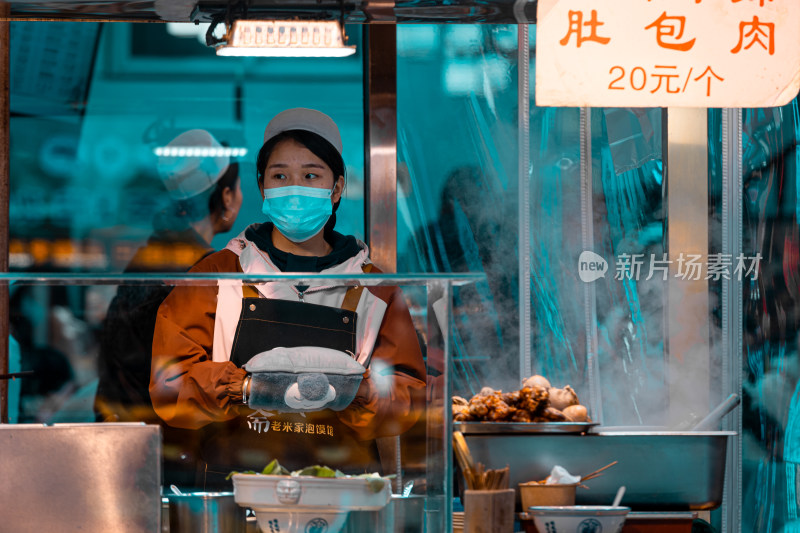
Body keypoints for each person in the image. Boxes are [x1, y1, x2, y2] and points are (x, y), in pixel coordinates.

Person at [150, 108, 427, 487]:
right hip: (236, 488)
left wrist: (354, 392)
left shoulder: (374, 288)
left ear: (337, 188)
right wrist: (247, 389)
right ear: (263, 187)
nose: (294, 187)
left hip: (342, 489)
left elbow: (408, 395)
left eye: (311, 175)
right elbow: (169, 385)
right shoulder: (217, 274)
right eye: (280, 176)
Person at [94, 129, 242, 485]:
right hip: (169, 452)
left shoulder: (152, 254)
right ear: (224, 196)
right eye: (238, 191)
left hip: (126, 443)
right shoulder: (202, 272)